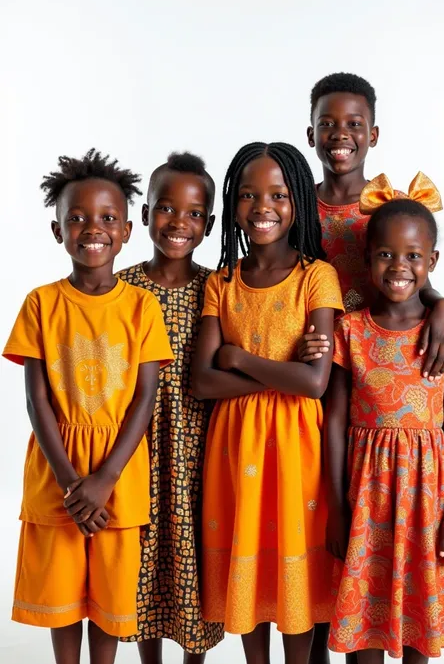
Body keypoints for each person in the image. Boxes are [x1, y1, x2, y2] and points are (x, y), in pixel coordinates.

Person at [3, 149, 173, 664]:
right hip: (58, 471)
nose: (90, 229)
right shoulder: (40, 302)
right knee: (61, 600)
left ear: (125, 231)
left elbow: (145, 399)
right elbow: (36, 398)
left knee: (109, 602)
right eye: (75, 219)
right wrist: (70, 481)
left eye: (106, 219)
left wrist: (104, 480)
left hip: (118, 473)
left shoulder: (143, 306)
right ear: (57, 231)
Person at [192, 142, 344, 664]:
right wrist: (283, 373)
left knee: (293, 580)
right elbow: (202, 383)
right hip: (235, 450)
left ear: (298, 202)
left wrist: (237, 356)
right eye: (250, 195)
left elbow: (316, 384)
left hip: (299, 451)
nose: (264, 207)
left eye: (278, 194)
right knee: (248, 571)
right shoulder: (223, 282)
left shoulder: (316, 277)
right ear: (233, 203)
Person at [325, 174, 444, 663]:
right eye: (386, 254)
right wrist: (338, 507)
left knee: (417, 623)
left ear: (432, 262)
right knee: (363, 623)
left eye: (413, 256)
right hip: (366, 497)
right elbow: (337, 421)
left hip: (426, 500)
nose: (399, 266)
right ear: (367, 261)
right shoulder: (350, 331)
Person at [117, 152, 224, 663]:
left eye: (194, 213)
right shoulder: (123, 287)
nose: (178, 222)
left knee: (192, 560)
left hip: (200, 448)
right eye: (165, 208)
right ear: (144, 215)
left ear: (208, 224)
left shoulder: (218, 288)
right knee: (143, 561)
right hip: (136, 449)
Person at [304, 72, 444, 384]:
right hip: (313, 359)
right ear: (311, 135)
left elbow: (418, 283)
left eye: (354, 124)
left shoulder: (393, 210)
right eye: (327, 124)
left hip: (375, 361)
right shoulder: (296, 208)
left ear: (373, 135)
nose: (340, 134)